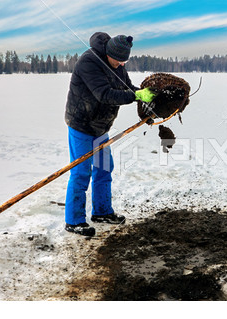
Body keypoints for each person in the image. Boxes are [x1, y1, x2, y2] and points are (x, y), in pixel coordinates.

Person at [64, 32, 156, 236]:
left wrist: (144, 97)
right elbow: (105, 95)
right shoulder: (89, 62)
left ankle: (102, 212)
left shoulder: (119, 65)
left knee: (104, 169)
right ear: (108, 53)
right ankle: (74, 220)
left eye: (125, 61)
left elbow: (127, 88)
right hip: (81, 124)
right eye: (119, 60)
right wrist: (135, 96)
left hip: (101, 127)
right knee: (80, 173)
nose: (122, 65)